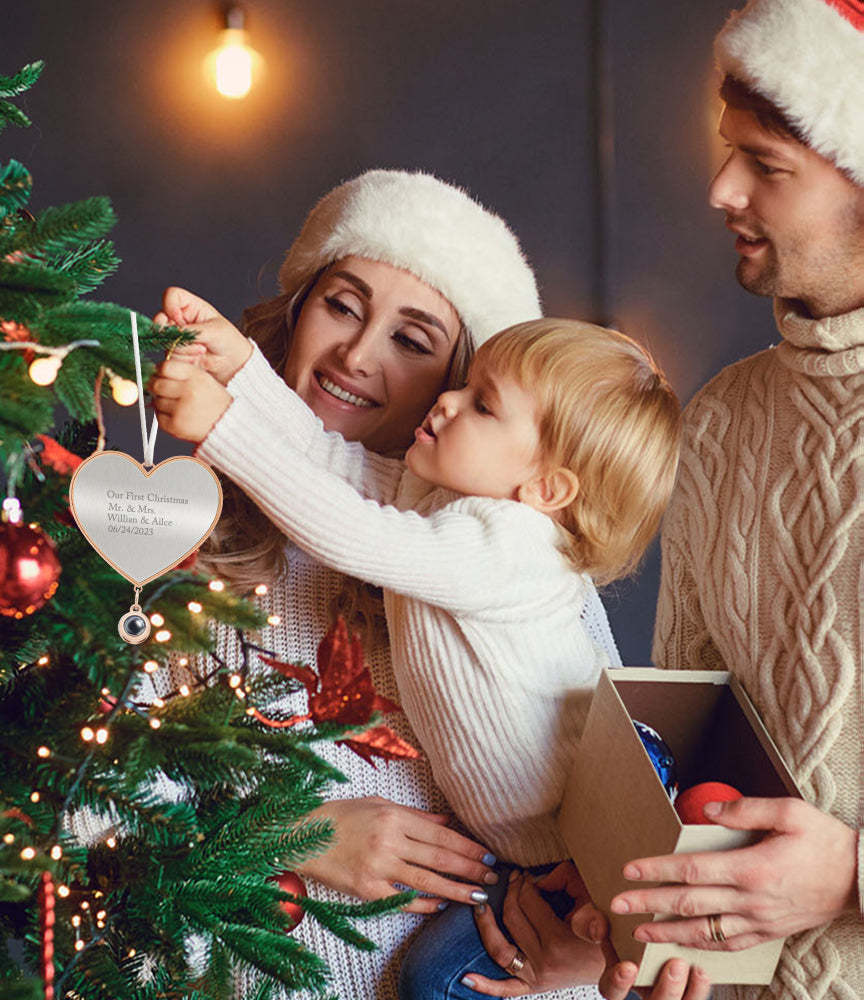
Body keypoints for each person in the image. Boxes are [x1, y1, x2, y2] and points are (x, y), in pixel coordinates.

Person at [463, 2, 864, 998]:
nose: (720, 189)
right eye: (729, 153)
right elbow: (686, 728)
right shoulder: (723, 419)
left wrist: (849, 874)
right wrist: (623, 887)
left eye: (765, 165)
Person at [150, 169, 624, 999]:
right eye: (341, 305)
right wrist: (290, 833)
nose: (357, 357)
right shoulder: (163, 530)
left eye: (413, 341)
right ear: (298, 310)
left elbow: (612, 809)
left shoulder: (520, 556)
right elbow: (70, 797)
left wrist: (592, 948)